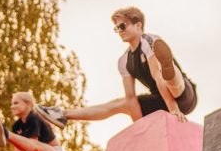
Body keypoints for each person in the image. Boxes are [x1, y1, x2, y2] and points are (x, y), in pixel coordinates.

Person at [37, 7, 197, 129]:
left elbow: (156, 76)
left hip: (183, 97)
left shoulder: (150, 41)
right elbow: (131, 98)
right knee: (119, 103)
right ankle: (63, 114)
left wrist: (174, 109)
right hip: (159, 101)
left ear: (138, 25)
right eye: (117, 28)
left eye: (123, 26)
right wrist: (139, 127)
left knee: (168, 79)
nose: (119, 31)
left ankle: (171, 72)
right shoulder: (124, 61)